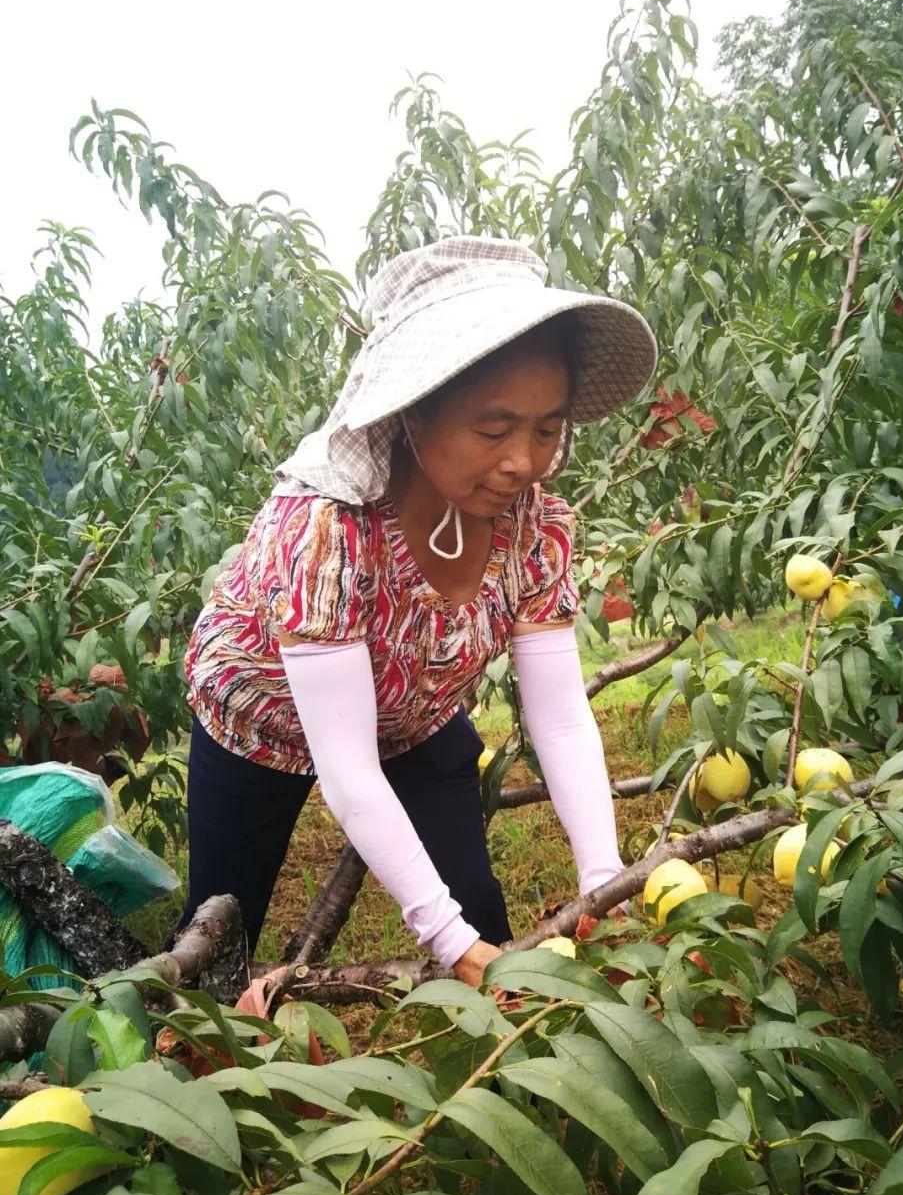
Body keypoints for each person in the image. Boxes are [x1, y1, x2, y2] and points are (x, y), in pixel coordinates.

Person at [178, 235, 657, 988]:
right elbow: (348, 768)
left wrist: (605, 883)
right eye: (495, 429)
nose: (522, 461)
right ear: (412, 414)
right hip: (262, 720)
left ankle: (501, 1078)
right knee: (217, 935)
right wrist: (447, 942)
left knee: (481, 913)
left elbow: (561, 716)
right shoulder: (328, 527)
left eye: (547, 429)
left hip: (415, 714)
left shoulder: (531, 525)